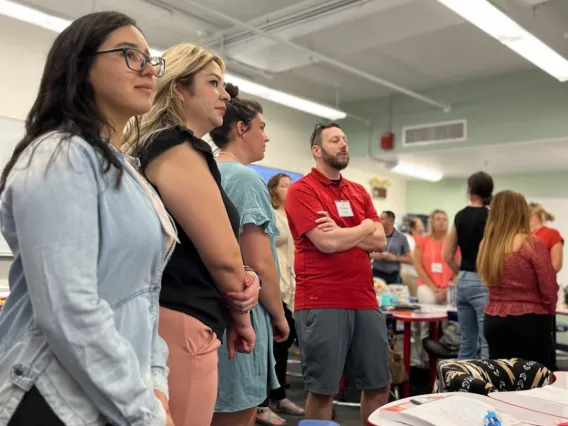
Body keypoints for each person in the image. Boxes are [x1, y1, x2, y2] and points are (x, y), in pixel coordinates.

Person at [0, 12, 174, 426]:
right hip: (52, 395)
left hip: (114, 393)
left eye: (151, 58)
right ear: (81, 65)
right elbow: (68, 309)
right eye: (130, 55)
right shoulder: (59, 155)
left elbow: (144, 299)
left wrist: (154, 383)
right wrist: (144, 410)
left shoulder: (122, 167)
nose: (149, 69)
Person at [127, 44, 258, 426]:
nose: (225, 95)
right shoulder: (178, 147)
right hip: (182, 322)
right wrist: (243, 314)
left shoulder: (156, 146)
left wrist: (243, 278)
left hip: (171, 318)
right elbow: (222, 256)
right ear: (180, 89)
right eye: (213, 83)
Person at [286, 122, 389, 425]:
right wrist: (365, 228)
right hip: (322, 300)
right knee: (322, 391)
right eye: (334, 140)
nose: (343, 144)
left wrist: (347, 231)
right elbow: (326, 242)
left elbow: (380, 241)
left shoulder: (358, 191)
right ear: (316, 150)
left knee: (379, 385)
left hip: (364, 300)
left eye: (344, 139)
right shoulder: (301, 190)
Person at [209, 83, 290, 426]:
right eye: (261, 127)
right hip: (242, 314)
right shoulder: (244, 179)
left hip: (211, 311)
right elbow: (259, 262)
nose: (267, 137)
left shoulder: (205, 170)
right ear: (241, 129)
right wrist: (279, 315)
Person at [478, 191, 558, 370]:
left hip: (494, 321)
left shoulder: (486, 245)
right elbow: (549, 286)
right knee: (536, 383)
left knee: (502, 380)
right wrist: (549, 312)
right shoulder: (532, 243)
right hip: (529, 321)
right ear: (522, 211)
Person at [266, 173, 305, 420]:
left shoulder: (293, 216)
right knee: (275, 343)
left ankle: (278, 396)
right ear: (273, 190)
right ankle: (269, 399)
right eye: (284, 185)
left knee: (284, 342)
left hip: (292, 284)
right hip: (275, 284)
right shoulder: (270, 214)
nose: (289, 189)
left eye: (291, 185)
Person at [444, 171, 493, 360]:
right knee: (487, 342)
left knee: (466, 342)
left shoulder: (459, 216)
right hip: (483, 280)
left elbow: (447, 255)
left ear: (470, 191)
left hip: (462, 281)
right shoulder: (491, 218)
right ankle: (488, 387)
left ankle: (463, 386)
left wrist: (463, 272)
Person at [415, 210, 459, 304]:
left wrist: (447, 289)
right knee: (429, 299)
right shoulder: (422, 241)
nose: (442, 222)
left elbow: (458, 268)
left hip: (449, 286)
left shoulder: (455, 243)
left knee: (452, 300)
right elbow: (418, 267)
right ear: (431, 223)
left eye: (445, 219)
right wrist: (433, 288)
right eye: (438, 219)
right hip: (427, 285)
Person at [371, 210, 412, 284]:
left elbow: (410, 259)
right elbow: (366, 253)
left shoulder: (402, 238)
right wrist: (374, 255)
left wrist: (396, 258)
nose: (379, 221)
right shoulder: (375, 235)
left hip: (393, 277)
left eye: (382, 219)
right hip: (376, 275)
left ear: (390, 222)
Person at [529, 202, 563, 273]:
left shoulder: (552, 233)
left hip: (542, 281)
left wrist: (542, 279)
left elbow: (556, 265)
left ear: (534, 215)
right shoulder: (520, 234)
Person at [401, 218, 425, 297]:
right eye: (418, 226)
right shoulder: (408, 239)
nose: (421, 228)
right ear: (411, 229)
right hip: (410, 276)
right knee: (413, 300)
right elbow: (412, 259)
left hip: (419, 276)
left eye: (422, 225)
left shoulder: (422, 239)